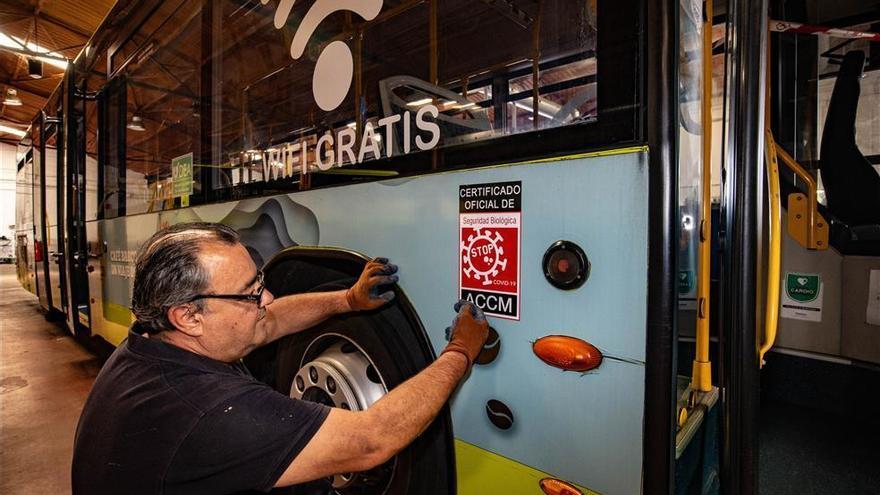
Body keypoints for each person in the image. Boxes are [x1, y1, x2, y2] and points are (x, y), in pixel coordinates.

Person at [71, 222, 488, 494]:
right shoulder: (208, 412)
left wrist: (347, 300)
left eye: (262, 284)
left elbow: (268, 323)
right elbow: (370, 440)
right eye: (251, 293)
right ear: (189, 316)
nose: (267, 298)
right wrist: (460, 352)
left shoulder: (147, 349)